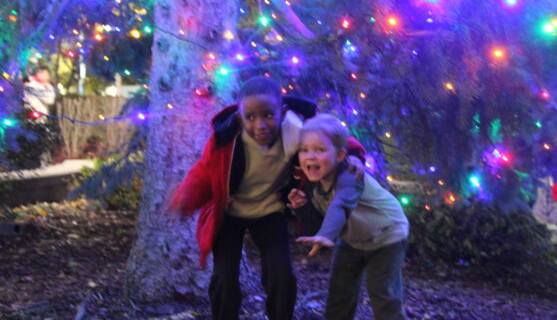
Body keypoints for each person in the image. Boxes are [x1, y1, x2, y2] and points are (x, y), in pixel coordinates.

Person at [168, 76, 365, 320]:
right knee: (224, 276)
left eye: (268, 115)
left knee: (281, 274)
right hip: (230, 212)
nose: (260, 125)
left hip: (269, 211)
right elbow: (204, 170)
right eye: (251, 117)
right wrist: (186, 196)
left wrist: (354, 154)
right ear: (240, 118)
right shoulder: (226, 140)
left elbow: (333, 139)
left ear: (282, 112)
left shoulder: (298, 130)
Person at [288, 113, 409, 320]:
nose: (310, 156)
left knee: (383, 294)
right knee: (339, 294)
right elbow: (316, 224)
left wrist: (327, 233)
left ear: (340, 156)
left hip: (387, 236)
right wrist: (301, 207)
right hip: (353, 241)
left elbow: (342, 203)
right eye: (304, 150)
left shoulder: (351, 174)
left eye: (320, 150)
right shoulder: (312, 183)